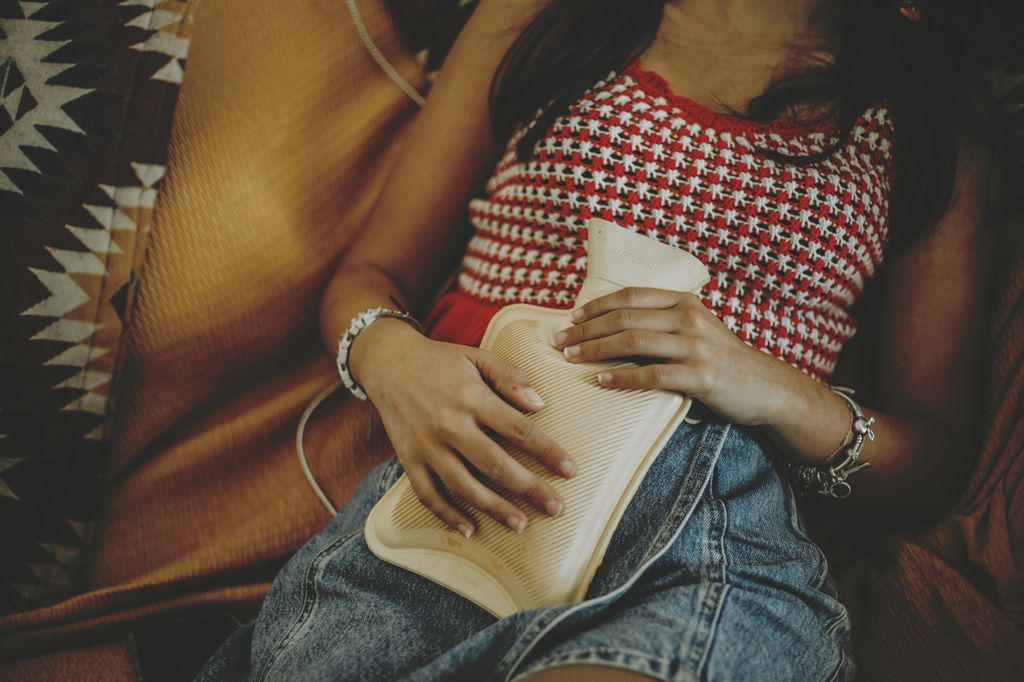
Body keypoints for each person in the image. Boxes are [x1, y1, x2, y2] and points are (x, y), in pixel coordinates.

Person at [198, 0, 1014, 679]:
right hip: (461, 498)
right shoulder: (544, 20)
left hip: (713, 535)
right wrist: (391, 361)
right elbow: (369, 274)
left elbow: (931, 466)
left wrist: (770, 384)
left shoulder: (927, 134)